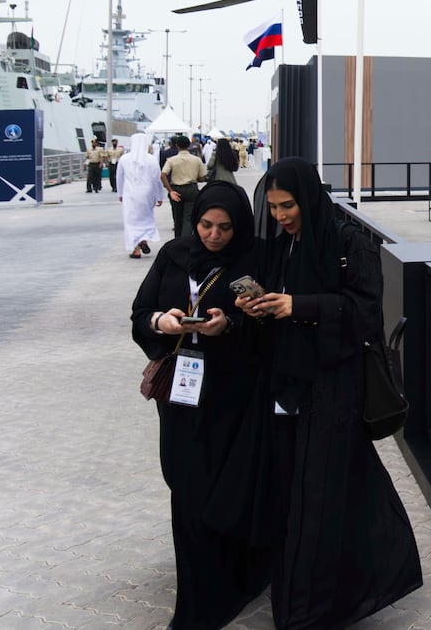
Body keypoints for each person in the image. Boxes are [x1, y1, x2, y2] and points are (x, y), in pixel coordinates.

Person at [224, 158, 422, 627]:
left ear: (308, 198)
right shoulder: (284, 246)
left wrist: (300, 306)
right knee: (311, 492)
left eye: (287, 205)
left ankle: (306, 612)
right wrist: (259, 306)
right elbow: (281, 305)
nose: (279, 216)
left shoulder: (347, 242)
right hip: (287, 385)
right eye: (272, 207)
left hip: (334, 387)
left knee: (320, 495)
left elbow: (366, 311)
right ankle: (313, 597)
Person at [131, 181, 270, 630]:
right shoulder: (173, 254)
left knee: (224, 483)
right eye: (207, 225)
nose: (214, 235)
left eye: (225, 228)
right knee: (184, 481)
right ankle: (201, 581)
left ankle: (228, 581)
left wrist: (226, 324)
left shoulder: (254, 259)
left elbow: (268, 328)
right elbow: (140, 315)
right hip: (181, 391)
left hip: (233, 392)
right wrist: (163, 321)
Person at [119, 133, 165, 259]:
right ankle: (144, 239)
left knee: (131, 221)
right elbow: (157, 179)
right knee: (146, 218)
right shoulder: (152, 159)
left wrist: (120, 194)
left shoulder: (124, 159)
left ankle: (136, 250)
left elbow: (119, 178)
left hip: (130, 194)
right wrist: (160, 196)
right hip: (147, 194)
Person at [162, 135, 207, 237]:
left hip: (176, 189)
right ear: (189, 145)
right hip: (191, 189)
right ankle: (186, 240)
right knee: (188, 218)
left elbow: (163, 174)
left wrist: (170, 191)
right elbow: (202, 178)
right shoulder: (196, 159)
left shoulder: (171, 160)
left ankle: (178, 241)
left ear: (177, 146)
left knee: (177, 218)